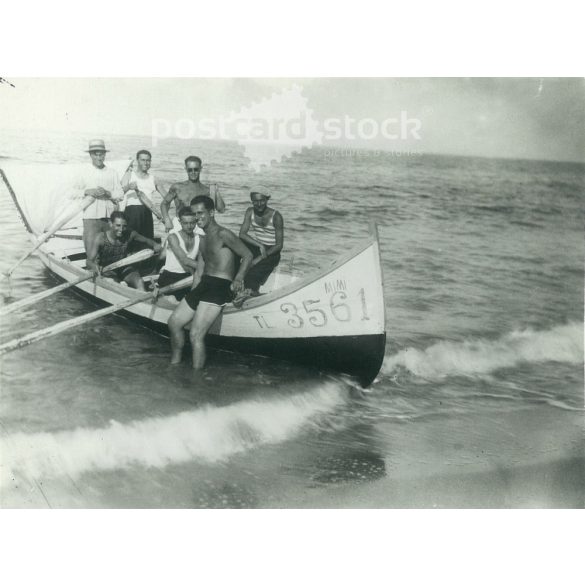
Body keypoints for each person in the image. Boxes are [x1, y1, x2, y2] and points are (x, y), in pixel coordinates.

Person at [167, 195, 253, 369]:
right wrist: (193, 293)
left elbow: (248, 255)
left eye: (201, 213)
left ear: (212, 212)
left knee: (195, 334)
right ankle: (175, 364)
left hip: (220, 286)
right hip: (204, 284)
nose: (197, 217)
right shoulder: (203, 239)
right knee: (174, 322)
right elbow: (199, 270)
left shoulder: (224, 234)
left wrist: (238, 278)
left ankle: (196, 380)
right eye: (194, 214)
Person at [71, 139, 125, 253]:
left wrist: (108, 193)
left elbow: (120, 194)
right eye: (96, 154)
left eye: (102, 154)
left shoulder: (112, 172)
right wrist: (87, 191)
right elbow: (71, 193)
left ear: (105, 155)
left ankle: (109, 270)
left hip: (109, 219)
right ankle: (92, 270)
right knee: (91, 249)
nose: (99, 157)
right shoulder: (84, 172)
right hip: (91, 218)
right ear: (91, 155)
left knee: (110, 248)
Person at [86, 211, 162, 290]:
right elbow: (89, 261)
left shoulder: (130, 234)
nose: (121, 229)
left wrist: (155, 245)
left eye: (124, 226)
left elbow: (146, 240)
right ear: (110, 223)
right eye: (118, 225)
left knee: (139, 282)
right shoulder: (100, 238)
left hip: (125, 268)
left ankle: (144, 299)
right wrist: (95, 267)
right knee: (115, 285)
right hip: (107, 271)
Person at [234, 186, 284, 305]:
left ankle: (250, 292)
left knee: (252, 272)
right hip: (259, 247)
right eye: (255, 201)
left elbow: (279, 245)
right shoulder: (250, 211)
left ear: (267, 199)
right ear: (252, 201)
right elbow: (242, 234)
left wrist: (259, 258)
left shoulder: (276, 216)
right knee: (235, 245)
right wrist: (260, 245)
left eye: (262, 200)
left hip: (272, 251)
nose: (259, 204)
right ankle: (232, 279)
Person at [160, 156, 226, 232]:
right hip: (180, 224)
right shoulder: (177, 187)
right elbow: (164, 204)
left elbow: (221, 210)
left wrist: (216, 191)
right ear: (186, 169)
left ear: (200, 169)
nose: (193, 172)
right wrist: (167, 220)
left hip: (199, 225)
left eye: (196, 169)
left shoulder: (207, 190)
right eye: (190, 170)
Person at [156, 207, 204, 300]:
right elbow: (185, 261)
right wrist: (208, 268)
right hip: (170, 276)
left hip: (189, 275)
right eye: (185, 223)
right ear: (179, 222)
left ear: (196, 221)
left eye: (192, 223)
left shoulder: (200, 238)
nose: (189, 226)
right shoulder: (173, 237)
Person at [120, 149, 166, 240]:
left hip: (147, 213)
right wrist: (128, 187)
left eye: (148, 160)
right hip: (131, 213)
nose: (146, 163)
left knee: (147, 244)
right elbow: (118, 194)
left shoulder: (154, 179)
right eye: (143, 160)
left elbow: (167, 197)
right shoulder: (129, 175)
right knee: (129, 243)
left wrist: (164, 216)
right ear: (137, 161)